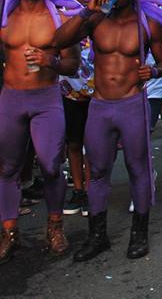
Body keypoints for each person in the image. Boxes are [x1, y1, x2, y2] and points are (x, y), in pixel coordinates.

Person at [53, 0, 162, 261]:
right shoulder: (95, 20)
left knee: (138, 168)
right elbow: (57, 40)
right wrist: (86, 11)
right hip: (100, 105)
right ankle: (98, 236)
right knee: (98, 171)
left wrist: (154, 71)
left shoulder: (147, 23)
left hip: (132, 103)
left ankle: (139, 234)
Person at [0, 0, 79, 261]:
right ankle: (9, 232)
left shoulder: (58, 17)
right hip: (11, 98)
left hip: (46, 99)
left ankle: (55, 226)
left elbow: (73, 64)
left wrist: (51, 60)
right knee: (7, 168)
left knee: (49, 165)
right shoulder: (5, 14)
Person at [61, 38, 94, 216]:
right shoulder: (64, 23)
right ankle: (78, 190)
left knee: (90, 144)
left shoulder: (96, 19)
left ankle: (90, 191)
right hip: (69, 95)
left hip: (96, 94)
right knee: (73, 144)